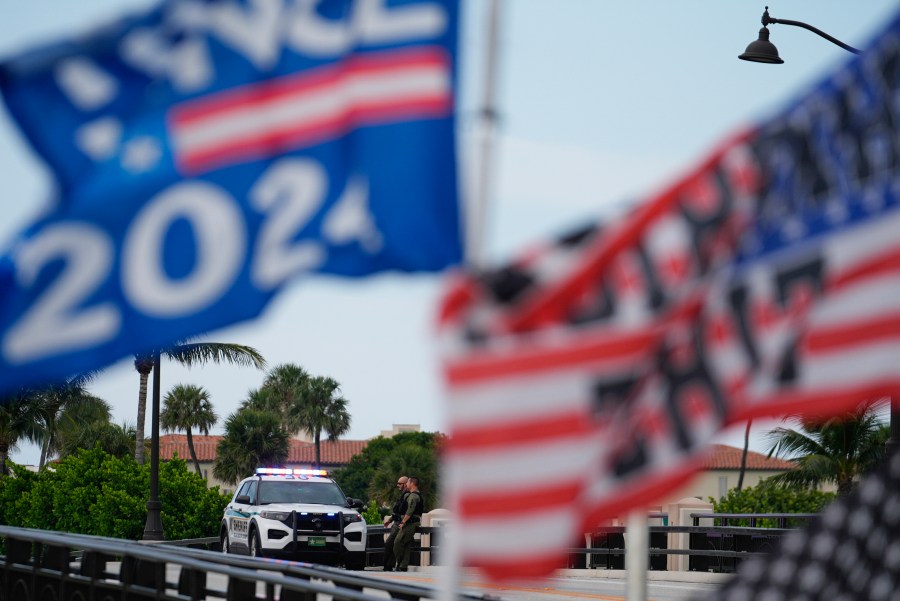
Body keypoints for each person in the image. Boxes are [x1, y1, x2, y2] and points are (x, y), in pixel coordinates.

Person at [393, 476, 423, 572]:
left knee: (397, 542)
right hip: (409, 523)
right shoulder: (411, 495)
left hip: (411, 523)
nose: (406, 484)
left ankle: (399, 562)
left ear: (412, 483)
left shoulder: (414, 496)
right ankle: (403, 566)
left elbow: (410, 510)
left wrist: (403, 522)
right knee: (405, 544)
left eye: (408, 482)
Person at [381, 475, 409, 571]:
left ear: (405, 484)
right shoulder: (403, 495)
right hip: (396, 521)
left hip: (400, 523)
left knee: (391, 542)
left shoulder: (407, 495)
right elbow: (397, 510)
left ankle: (389, 566)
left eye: (399, 483)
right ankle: (389, 565)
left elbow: (406, 511)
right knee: (391, 543)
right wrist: (389, 520)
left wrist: (403, 522)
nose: (397, 485)